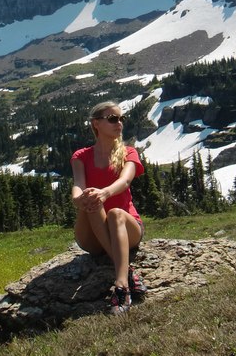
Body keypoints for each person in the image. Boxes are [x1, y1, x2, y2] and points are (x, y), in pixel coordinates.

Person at [70, 101, 147, 314]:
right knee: (91, 200)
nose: (119, 123)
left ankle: (122, 285)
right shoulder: (81, 156)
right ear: (96, 124)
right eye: (113, 119)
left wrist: (105, 192)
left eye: (121, 119)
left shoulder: (129, 152)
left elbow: (125, 181)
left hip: (126, 226)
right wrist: (80, 199)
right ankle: (127, 269)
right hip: (92, 234)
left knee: (115, 214)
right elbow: (78, 185)